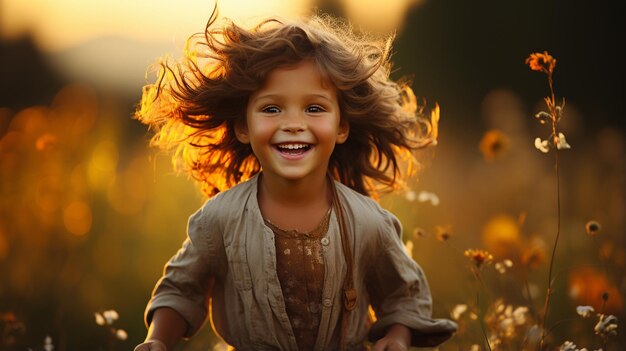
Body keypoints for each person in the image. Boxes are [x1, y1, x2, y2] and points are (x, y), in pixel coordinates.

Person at [134, 7, 457, 351]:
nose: (293, 123)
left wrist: (397, 336)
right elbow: (181, 288)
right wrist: (157, 340)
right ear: (243, 126)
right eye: (271, 109)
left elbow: (402, 294)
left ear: (342, 126)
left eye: (314, 109)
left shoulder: (368, 223)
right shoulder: (220, 219)